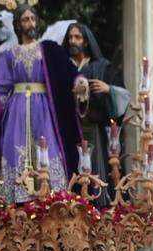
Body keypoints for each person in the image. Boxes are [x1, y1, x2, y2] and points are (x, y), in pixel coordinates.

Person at [0, 3, 88, 201]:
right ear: (17, 25)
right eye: (25, 19)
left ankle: (50, 197)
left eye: (32, 19)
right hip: (17, 112)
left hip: (44, 111)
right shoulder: (9, 55)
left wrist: (80, 83)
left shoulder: (49, 49)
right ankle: (17, 200)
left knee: (48, 150)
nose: (31, 23)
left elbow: (68, 74)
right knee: (15, 151)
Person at [62, 21, 126, 195]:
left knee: (97, 170)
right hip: (69, 130)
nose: (73, 41)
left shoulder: (102, 67)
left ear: (86, 41)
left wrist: (108, 89)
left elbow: (123, 96)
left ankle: (97, 208)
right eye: (70, 37)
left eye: (77, 37)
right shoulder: (62, 67)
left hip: (93, 128)